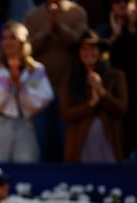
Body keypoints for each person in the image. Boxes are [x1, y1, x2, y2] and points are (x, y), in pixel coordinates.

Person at [0, 21, 54, 163]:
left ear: (23, 41)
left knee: (26, 167)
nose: (7, 42)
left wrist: (20, 85)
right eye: (4, 38)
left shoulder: (35, 70)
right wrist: (9, 83)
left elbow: (43, 99)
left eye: (12, 38)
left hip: (25, 125)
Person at [23, 0, 88, 162]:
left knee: (66, 138)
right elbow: (25, 47)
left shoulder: (77, 12)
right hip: (38, 87)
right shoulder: (32, 15)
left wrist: (58, 27)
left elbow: (81, 43)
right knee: (41, 137)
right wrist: (46, 33)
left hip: (68, 86)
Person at [60, 29, 128, 162]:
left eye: (92, 48)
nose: (88, 53)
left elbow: (122, 109)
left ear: (101, 51)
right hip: (79, 143)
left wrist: (102, 92)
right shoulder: (70, 81)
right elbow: (66, 114)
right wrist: (90, 104)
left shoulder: (116, 76)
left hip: (110, 140)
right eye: (84, 49)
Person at [96, 0, 137, 161]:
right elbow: (98, 63)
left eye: (127, 2)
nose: (122, 6)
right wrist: (115, 37)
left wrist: (133, 30)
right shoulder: (103, 29)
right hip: (114, 98)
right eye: (117, 2)